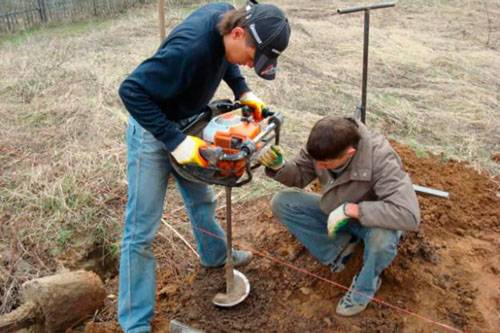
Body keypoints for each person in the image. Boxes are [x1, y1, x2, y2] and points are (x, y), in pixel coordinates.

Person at [117, 2, 291, 332]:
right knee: (141, 230)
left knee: (201, 200)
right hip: (153, 133)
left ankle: (214, 255)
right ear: (238, 33)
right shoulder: (190, 48)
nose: (252, 65)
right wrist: (175, 141)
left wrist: (243, 90)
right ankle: (134, 322)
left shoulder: (226, 19)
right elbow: (131, 90)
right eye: (254, 57)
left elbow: (226, 60)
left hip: (190, 123)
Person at [258, 116, 420, 316]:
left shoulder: (381, 159)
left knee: (382, 240)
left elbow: (408, 215)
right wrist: (280, 167)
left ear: (349, 153)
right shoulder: (323, 144)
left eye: (325, 164)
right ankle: (340, 252)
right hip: (335, 210)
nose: (319, 166)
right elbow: (299, 175)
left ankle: (364, 287)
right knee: (283, 202)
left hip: (373, 221)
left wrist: (354, 210)